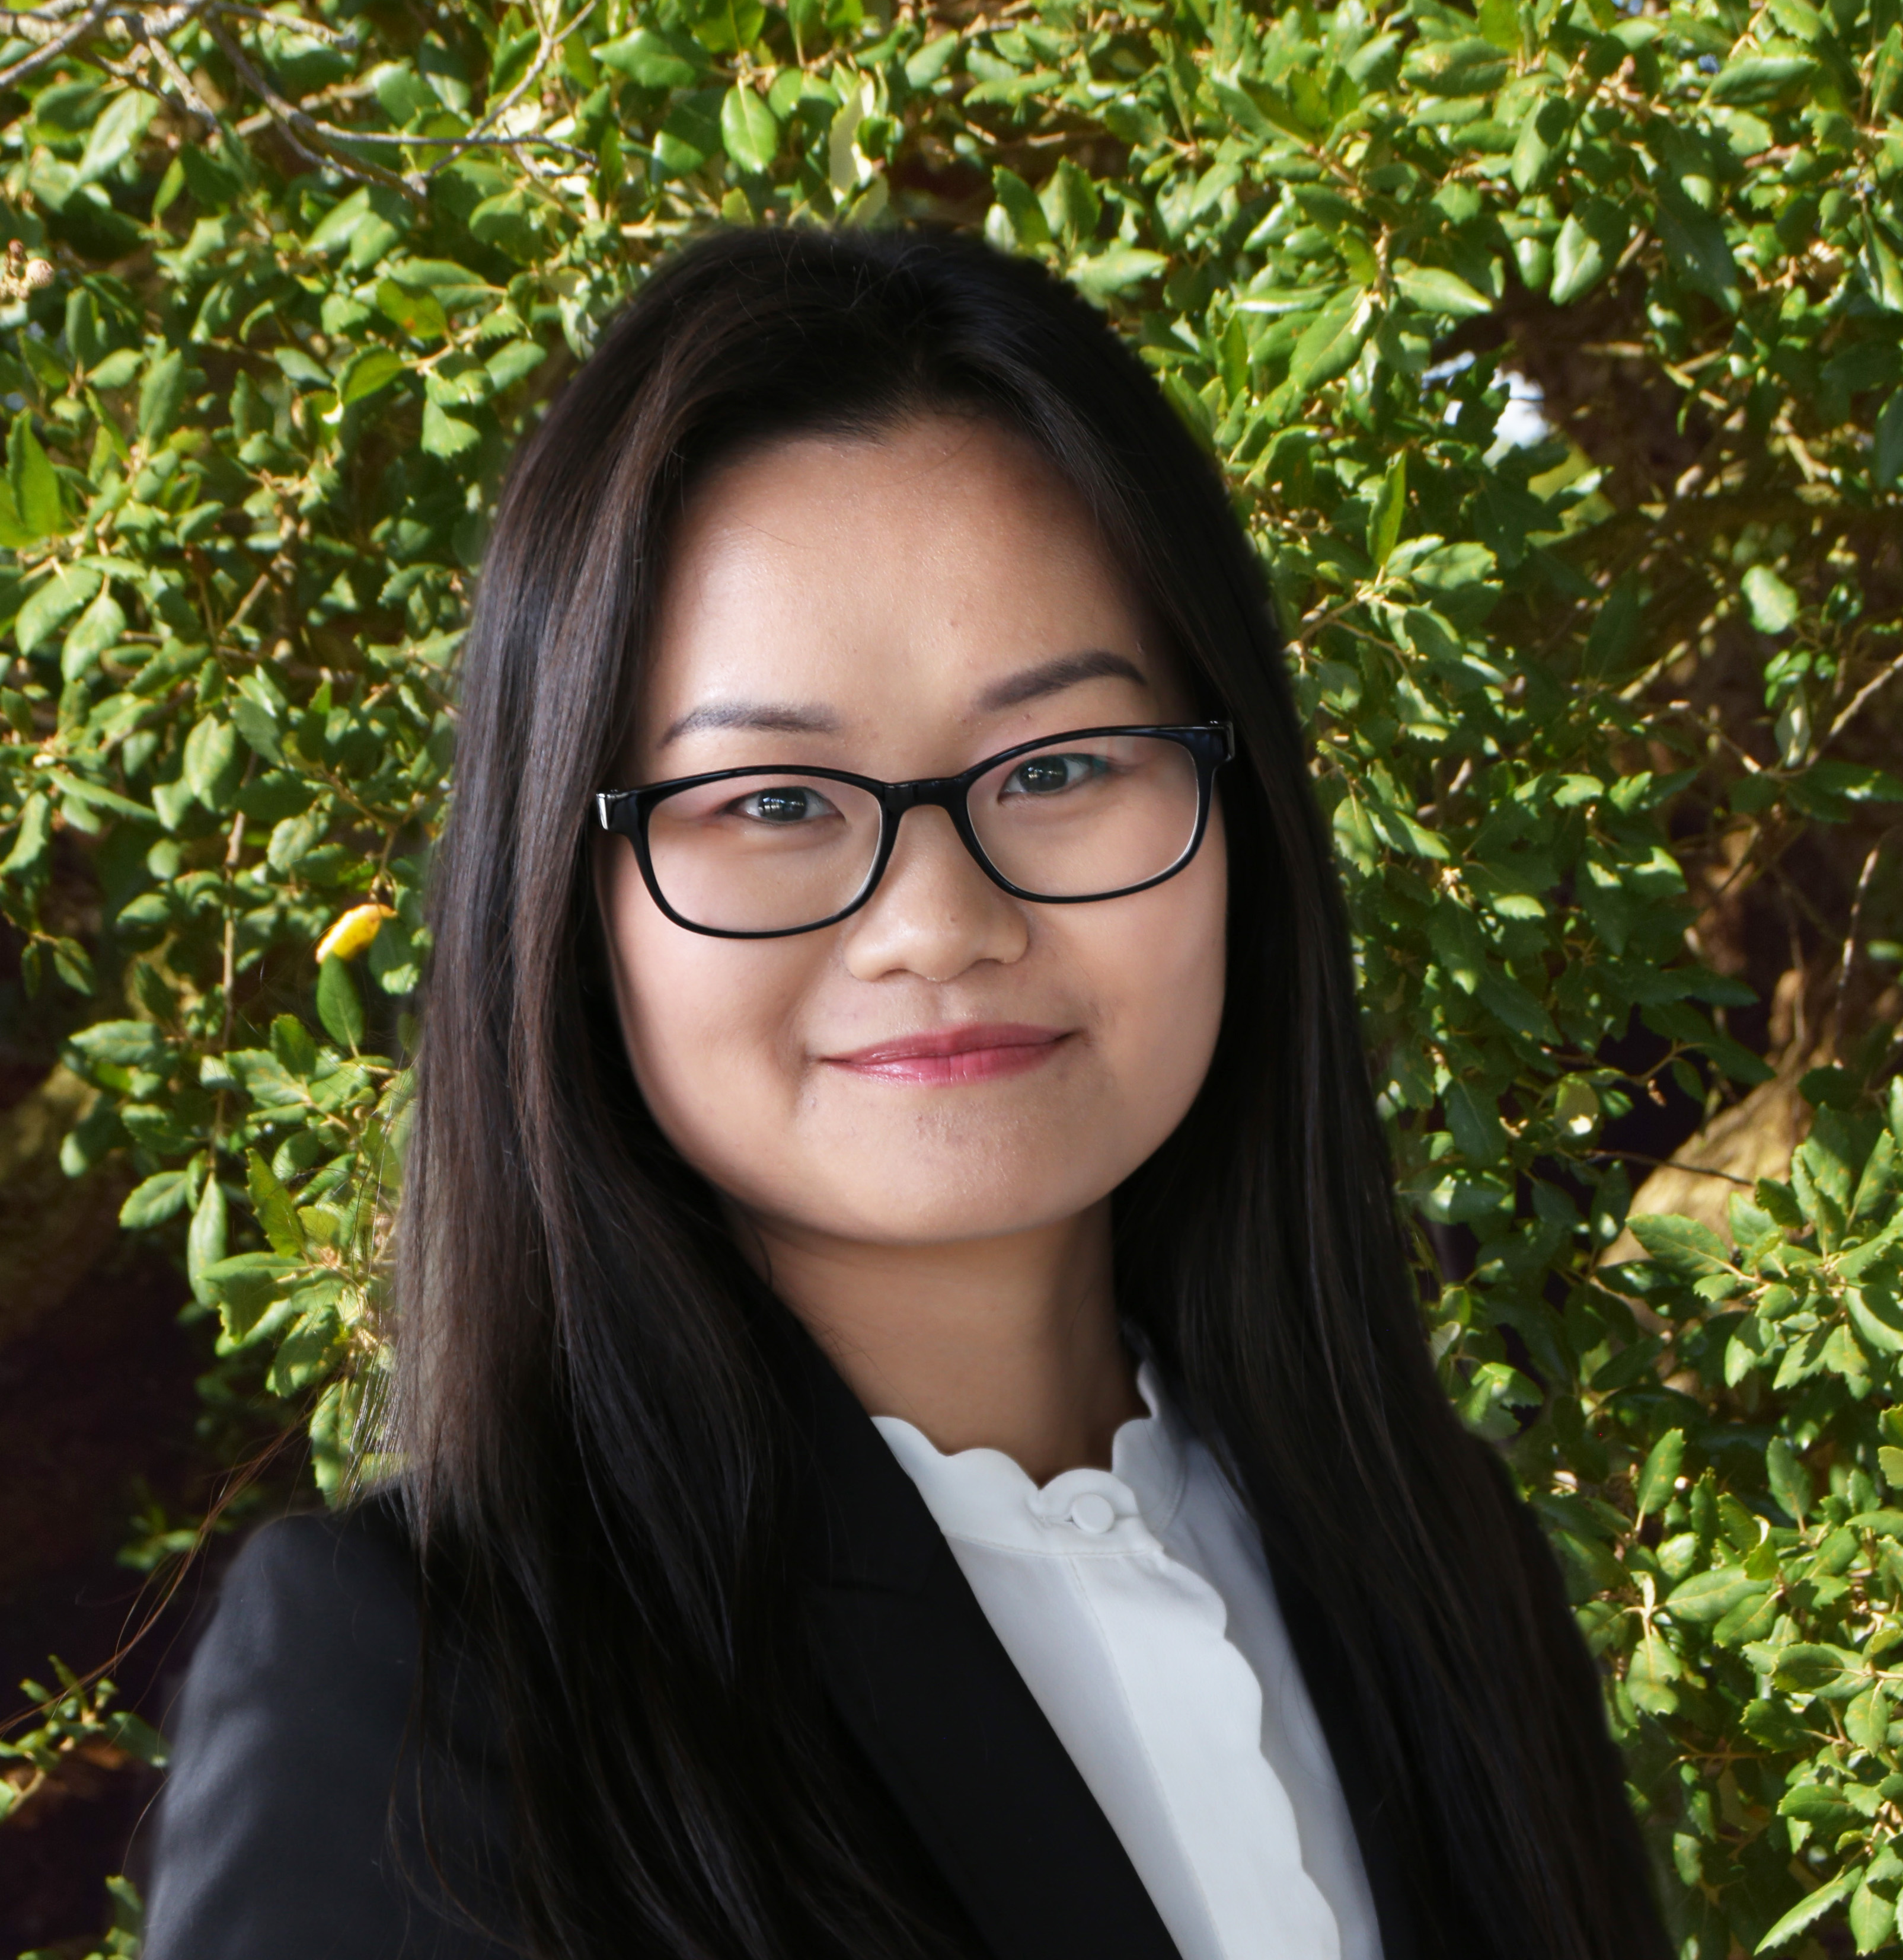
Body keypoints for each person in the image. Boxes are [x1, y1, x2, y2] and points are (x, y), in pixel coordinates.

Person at [141, 226, 1669, 1960]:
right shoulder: (423, 1685)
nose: (938, 922)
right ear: (571, 906)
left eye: (1065, 764)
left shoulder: (1442, 1571)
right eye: (772, 801)